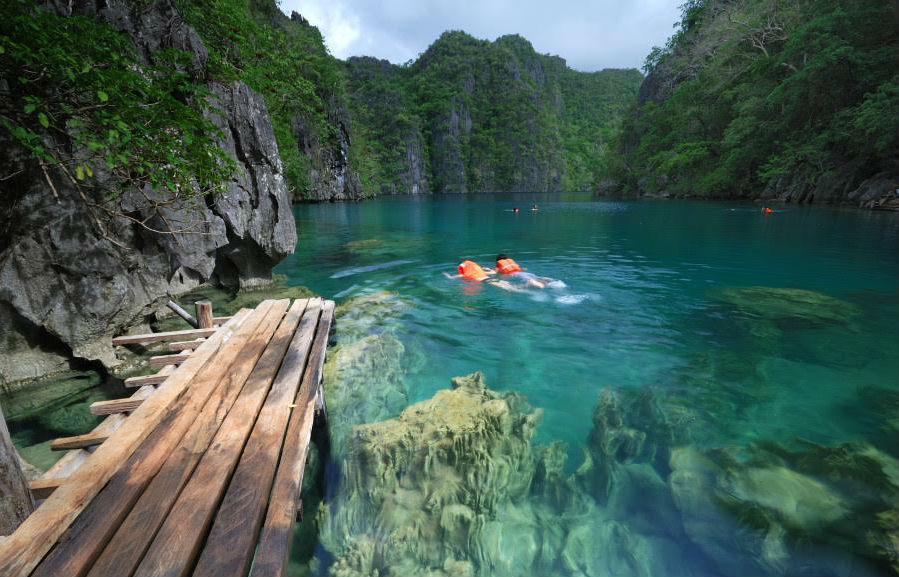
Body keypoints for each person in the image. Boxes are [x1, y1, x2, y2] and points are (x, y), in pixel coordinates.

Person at [445, 259, 524, 292]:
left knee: (505, 287)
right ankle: (519, 287)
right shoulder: (478, 269)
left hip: (484, 280)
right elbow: (492, 273)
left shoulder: (464, 274)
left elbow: (458, 276)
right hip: (487, 278)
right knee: (504, 283)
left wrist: (449, 276)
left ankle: (521, 290)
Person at [494, 254, 563, 289]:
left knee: (530, 280)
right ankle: (552, 281)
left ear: (498, 260)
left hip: (517, 274)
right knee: (537, 277)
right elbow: (522, 269)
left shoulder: (499, 265)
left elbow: (495, 272)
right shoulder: (511, 263)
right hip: (525, 273)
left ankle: (539, 285)